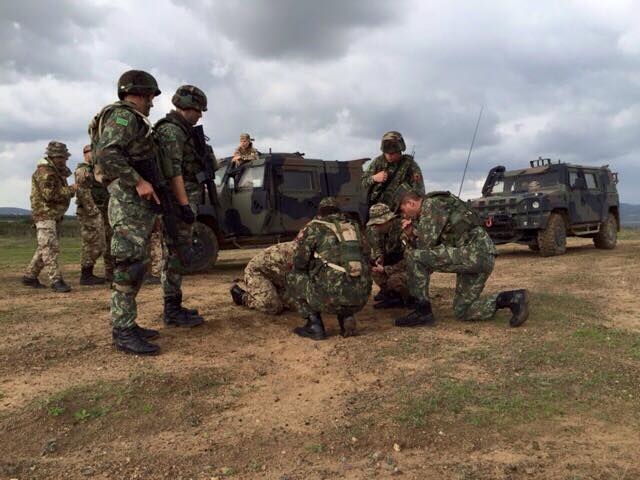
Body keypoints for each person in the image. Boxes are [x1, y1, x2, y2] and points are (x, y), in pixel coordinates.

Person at [90, 69, 163, 354]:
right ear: (139, 94)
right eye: (150, 96)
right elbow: (107, 153)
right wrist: (138, 181)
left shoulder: (130, 119)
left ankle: (128, 323)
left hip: (133, 203)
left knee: (137, 262)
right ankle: (122, 330)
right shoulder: (123, 116)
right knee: (128, 265)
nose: (152, 103)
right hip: (126, 201)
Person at [396, 190, 529, 328]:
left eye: (402, 210)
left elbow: (425, 245)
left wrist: (410, 234)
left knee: (414, 256)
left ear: (411, 203)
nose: (404, 215)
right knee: (463, 310)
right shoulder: (436, 205)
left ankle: (421, 311)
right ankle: (511, 298)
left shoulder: (431, 204)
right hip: (478, 255)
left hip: (474, 254)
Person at [154, 85, 217, 326]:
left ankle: (174, 305)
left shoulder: (182, 131)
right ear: (186, 107)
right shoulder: (172, 131)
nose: (200, 115)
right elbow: (173, 172)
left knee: (179, 253)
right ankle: (171, 310)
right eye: (198, 110)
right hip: (176, 202)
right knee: (175, 254)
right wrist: (183, 205)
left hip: (183, 198)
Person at [285, 198, 372, 339]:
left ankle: (314, 325)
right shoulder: (353, 227)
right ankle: (346, 316)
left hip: (330, 297)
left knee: (293, 275)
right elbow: (367, 256)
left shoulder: (315, 228)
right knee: (345, 273)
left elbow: (299, 262)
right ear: (339, 211)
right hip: (360, 296)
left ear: (320, 213)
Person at [23, 141, 76, 292]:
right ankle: (56, 280)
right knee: (50, 248)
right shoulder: (46, 172)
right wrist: (71, 190)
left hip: (51, 215)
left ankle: (30, 276)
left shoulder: (55, 171)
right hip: (45, 214)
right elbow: (49, 195)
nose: (65, 160)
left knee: (45, 247)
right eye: (62, 157)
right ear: (54, 156)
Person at [362, 131, 425, 210]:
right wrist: (374, 178)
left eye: (392, 153)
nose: (389, 155)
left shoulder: (410, 165)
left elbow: (419, 192)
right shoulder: (378, 162)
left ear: (400, 150)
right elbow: (361, 184)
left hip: (400, 210)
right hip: (376, 210)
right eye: (386, 152)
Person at [230, 241, 296, 314]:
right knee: (273, 306)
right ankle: (242, 297)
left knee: (295, 304)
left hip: (277, 277)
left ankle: (273, 293)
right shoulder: (298, 253)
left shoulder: (302, 251)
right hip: (257, 273)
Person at [365, 203, 410, 308]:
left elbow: (409, 259)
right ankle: (392, 295)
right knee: (374, 271)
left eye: (378, 223)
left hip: (409, 267)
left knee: (395, 280)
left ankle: (409, 299)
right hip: (394, 265)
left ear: (388, 220)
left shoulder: (403, 230)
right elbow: (379, 247)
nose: (376, 227)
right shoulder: (381, 231)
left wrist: (386, 269)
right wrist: (380, 258)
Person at [74, 145, 106, 285]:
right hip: (90, 213)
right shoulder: (83, 170)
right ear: (85, 154)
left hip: (100, 209)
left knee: (104, 241)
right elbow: (83, 192)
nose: (93, 155)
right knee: (91, 242)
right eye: (90, 152)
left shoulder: (96, 169)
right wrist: (93, 211)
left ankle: (109, 272)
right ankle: (86, 274)